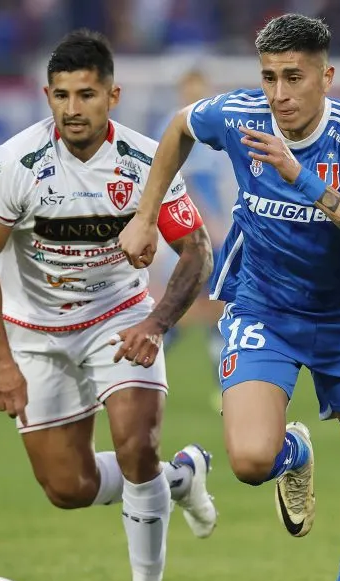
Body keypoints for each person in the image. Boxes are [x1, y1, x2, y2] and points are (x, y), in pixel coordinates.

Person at [119, 14, 340, 581]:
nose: (280, 94)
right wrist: (145, 217)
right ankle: (293, 452)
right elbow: (177, 128)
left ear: (325, 77)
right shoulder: (241, 114)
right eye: (270, 77)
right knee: (251, 460)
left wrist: (299, 178)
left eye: (294, 78)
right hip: (264, 309)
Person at [0, 29, 217, 581]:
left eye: (86, 95)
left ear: (113, 96)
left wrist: (156, 324)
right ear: (46, 97)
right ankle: (180, 476)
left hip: (119, 320)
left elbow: (196, 251)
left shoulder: (142, 163)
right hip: (37, 332)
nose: (72, 109)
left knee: (136, 445)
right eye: (61, 96)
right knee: (67, 488)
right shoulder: (15, 162)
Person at [149, 68, 229, 402]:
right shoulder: (176, 125)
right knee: (189, 306)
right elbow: (182, 181)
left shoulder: (215, 127)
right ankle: (142, 367)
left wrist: (223, 218)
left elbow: (216, 183)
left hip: (213, 228)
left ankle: (223, 385)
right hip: (189, 228)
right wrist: (207, 222)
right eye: (191, 91)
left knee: (218, 305)